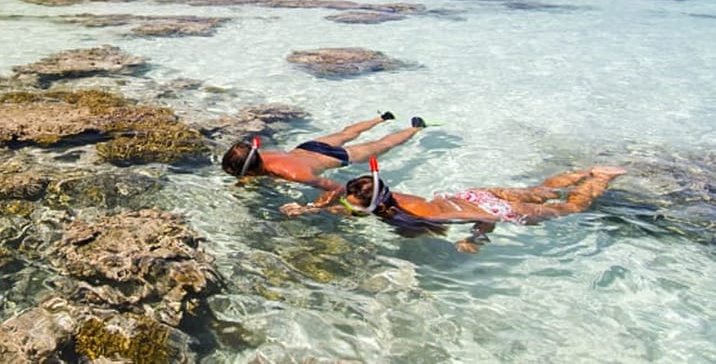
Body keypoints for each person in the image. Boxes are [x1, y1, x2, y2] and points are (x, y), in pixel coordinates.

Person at [285, 165, 627, 252]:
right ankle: (580, 172)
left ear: (375, 205)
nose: (345, 204)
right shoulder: (386, 195)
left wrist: (475, 240)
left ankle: (600, 178)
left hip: (490, 206)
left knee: (570, 208)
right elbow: (336, 195)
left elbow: (487, 217)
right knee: (540, 191)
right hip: (472, 193)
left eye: (351, 204)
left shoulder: (425, 215)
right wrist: (308, 210)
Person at [221, 112, 428, 207]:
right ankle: (380, 118)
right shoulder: (259, 155)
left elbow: (337, 187)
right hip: (308, 147)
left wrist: (314, 206)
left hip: (332, 157)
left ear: (249, 170)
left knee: (382, 145)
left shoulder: (294, 175)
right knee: (347, 133)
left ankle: (416, 127)